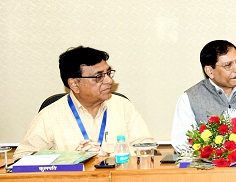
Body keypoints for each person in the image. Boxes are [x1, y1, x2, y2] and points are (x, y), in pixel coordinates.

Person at [15, 46, 153, 158]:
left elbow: (148, 149)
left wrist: (109, 156)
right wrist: (71, 158)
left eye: (109, 73)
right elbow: (22, 157)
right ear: (74, 84)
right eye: (98, 76)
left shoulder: (123, 107)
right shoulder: (49, 116)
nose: (109, 81)